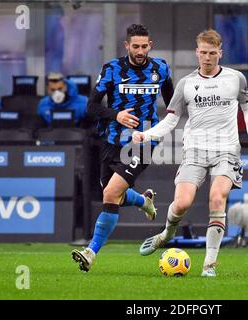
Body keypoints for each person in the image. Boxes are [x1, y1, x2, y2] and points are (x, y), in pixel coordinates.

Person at [133, 29, 248, 277]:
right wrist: (146, 135)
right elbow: (171, 121)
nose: (207, 57)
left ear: (220, 53)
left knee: (217, 197)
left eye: (212, 53)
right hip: (194, 151)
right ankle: (167, 234)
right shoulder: (186, 84)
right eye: (203, 52)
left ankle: (209, 265)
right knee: (181, 203)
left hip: (227, 150)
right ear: (197, 52)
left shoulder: (236, 78)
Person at [71, 24, 174, 272]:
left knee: (110, 194)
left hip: (144, 140)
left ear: (150, 45)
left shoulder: (160, 68)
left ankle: (90, 252)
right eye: (135, 46)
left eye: (144, 46)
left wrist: (168, 128)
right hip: (113, 139)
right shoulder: (112, 69)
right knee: (111, 192)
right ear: (127, 46)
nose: (140, 51)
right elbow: (91, 107)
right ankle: (143, 201)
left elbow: (172, 104)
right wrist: (116, 115)